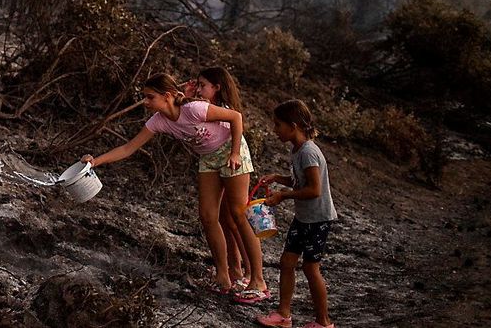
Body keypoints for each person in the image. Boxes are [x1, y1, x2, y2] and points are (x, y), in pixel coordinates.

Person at [81, 73, 269, 302]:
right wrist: (95, 161)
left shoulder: (195, 109)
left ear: (167, 96)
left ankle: (258, 280)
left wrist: (235, 152)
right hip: (208, 159)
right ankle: (223, 276)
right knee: (208, 216)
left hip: (231, 151)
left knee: (239, 213)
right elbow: (128, 148)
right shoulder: (158, 121)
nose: (146, 102)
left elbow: (236, 117)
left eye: (150, 97)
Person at [255, 99, 337, 328]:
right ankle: (283, 314)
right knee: (287, 262)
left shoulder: (309, 152)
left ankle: (324, 322)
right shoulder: (297, 149)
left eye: (278, 125)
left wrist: (283, 196)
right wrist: (278, 179)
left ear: (293, 126)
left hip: (318, 219)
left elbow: (314, 189)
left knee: (311, 268)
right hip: (303, 218)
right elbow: (299, 181)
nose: (275, 130)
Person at [188, 67, 252, 290]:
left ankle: (251, 273)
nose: (198, 89)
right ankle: (233, 270)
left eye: (202, 85)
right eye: (197, 84)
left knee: (235, 218)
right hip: (212, 163)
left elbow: (236, 123)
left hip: (232, 161)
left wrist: (234, 154)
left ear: (217, 88)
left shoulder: (221, 109)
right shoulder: (202, 106)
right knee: (224, 219)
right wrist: (187, 92)